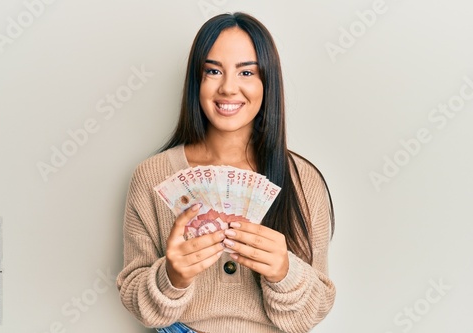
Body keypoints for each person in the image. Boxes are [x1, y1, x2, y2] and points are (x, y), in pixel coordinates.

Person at [116, 12, 336, 333]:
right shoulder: (152, 176)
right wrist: (172, 277)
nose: (228, 88)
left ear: (267, 83)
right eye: (213, 71)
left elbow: (312, 312)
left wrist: (284, 272)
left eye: (246, 71)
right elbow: (136, 300)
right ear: (197, 80)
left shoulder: (304, 180)